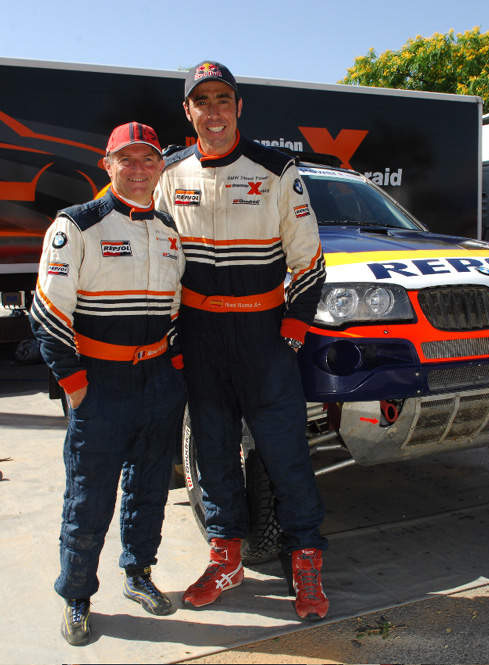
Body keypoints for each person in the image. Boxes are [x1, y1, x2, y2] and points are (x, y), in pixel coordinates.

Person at [154, 61, 330, 621]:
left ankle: (304, 562)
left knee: (287, 456)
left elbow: (309, 260)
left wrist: (294, 330)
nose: (213, 110)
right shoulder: (169, 173)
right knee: (212, 453)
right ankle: (225, 557)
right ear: (189, 111)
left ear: (238, 106)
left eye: (222, 99)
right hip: (201, 337)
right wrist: (173, 336)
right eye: (201, 100)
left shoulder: (278, 170)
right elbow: (159, 264)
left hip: (264, 336)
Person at [30, 122, 186, 645]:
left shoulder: (167, 229)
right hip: (99, 384)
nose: (139, 170)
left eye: (148, 160)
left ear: (159, 167)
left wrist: (175, 369)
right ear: (108, 165)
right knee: (89, 496)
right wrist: (74, 383)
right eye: (128, 160)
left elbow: (179, 309)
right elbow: (47, 314)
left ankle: (138, 574)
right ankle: (77, 596)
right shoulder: (75, 225)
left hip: (158, 381)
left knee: (149, 488)